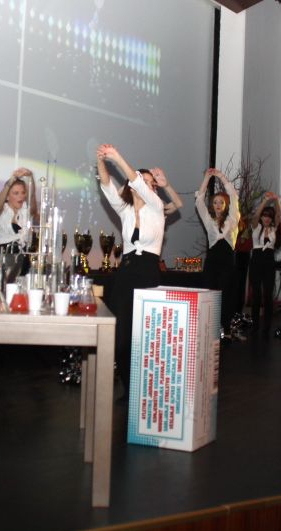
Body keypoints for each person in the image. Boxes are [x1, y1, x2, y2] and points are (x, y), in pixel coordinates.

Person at [96, 143, 171, 392]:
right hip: (126, 273)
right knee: (121, 334)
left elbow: (135, 179)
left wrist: (117, 156)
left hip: (148, 273)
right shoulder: (125, 210)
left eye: (149, 182)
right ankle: (128, 385)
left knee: (144, 334)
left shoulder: (157, 207)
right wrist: (101, 160)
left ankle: (146, 388)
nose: (145, 185)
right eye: (142, 181)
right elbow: (106, 184)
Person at [195, 168, 240, 339]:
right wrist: (207, 177)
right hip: (212, 262)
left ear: (225, 204)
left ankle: (226, 329)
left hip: (227, 262)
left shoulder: (232, 219)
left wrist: (221, 177)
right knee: (210, 293)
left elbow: (234, 196)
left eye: (221, 202)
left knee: (226, 295)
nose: (218, 205)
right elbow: (199, 200)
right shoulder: (209, 220)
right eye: (215, 202)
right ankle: (210, 328)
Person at [249, 192, 281, 338]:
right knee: (256, 295)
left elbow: (278, 215)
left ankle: (267, 327)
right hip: (256, 260)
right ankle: (255, 325)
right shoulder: (256, 227)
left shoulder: (274, 229)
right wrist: (265, 201)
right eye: (264, 216)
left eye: (269, 216)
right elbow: (256, 215)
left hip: (269, 261)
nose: (266, 218)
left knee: (268, 295)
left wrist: (276, 201)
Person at [0, 168, 37, 253]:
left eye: (23, 192)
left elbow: (32, 195)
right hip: (5, 254)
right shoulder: (2, 211)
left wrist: (30, 176)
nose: (21, 196)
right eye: (16, 193)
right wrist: (11, 180)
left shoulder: (26, 210)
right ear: (7, 197)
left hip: (24, 255)